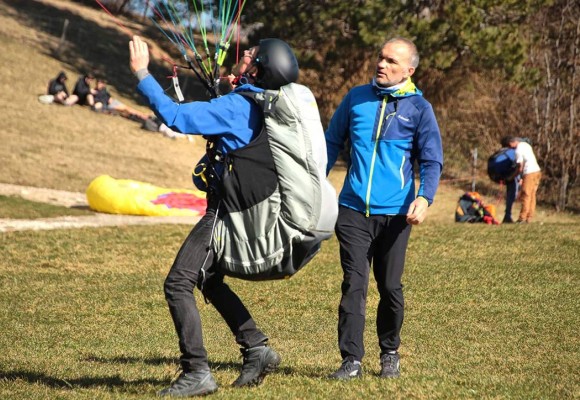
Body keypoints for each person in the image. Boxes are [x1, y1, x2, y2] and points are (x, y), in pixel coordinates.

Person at [129, 35, 300, 397]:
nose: (244, 53)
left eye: (251, 53)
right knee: (208, 278)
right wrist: (227, 90)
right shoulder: (263, 103)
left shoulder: (237, 107)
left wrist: (142, 74)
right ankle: (256, 348)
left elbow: (176, 117)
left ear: (257, 68)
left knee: (178, 283)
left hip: (225, 213)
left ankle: (197, 371)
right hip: (248, 212)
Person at [325, 37, 443, 380]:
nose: (381, 64)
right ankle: (351, 360)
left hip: (396, 215)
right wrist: (316, 182)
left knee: (390, 286)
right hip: (351, 210)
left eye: (391, 61)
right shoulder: (356, 97)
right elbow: (332, 141)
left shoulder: (420, 109)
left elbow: (432, 160)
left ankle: (389, 351)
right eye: (380, 57)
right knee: (354, 284)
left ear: (409, 70)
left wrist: (425, 197)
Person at [502, 136, 542, 223]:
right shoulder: (526, 145)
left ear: (511, 143)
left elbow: (520, 167)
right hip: (537, 171)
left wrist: (512, 177)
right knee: (532, 195)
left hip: (529, 172)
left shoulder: (518, 150)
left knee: (525, 194)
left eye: (509, 147)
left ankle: (522, 218)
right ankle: (529, 217)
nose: (510, 149)